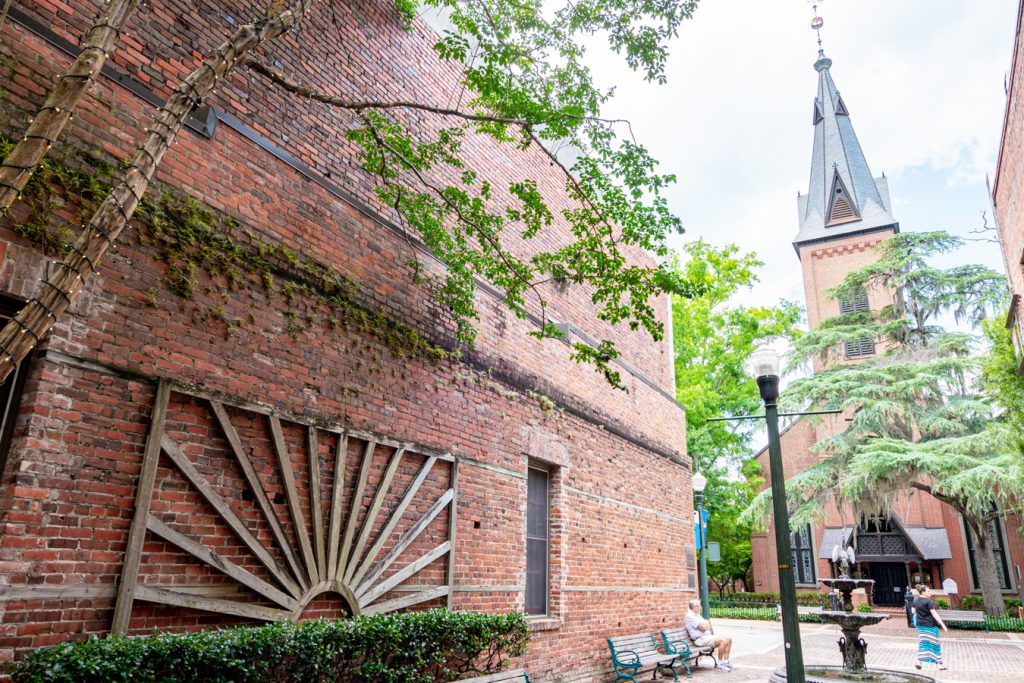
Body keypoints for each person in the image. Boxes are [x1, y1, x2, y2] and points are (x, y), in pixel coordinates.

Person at [685, 598, 734, 671]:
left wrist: (706, 625)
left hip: (707, 637)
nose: (700, 607)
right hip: (700, 639)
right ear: (694, 607)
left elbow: (708, 624)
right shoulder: (690, 616)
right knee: (723, 640)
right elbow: (703, 627)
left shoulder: (697, 615)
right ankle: (719, 664)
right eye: (699, 606)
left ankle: (726, 662)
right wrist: (706, 626)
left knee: (729, 638)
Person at [912, 584, 948, 670]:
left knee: (923, 643)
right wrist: (943, 625)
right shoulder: (929, 601)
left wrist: (921, 615)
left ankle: (919, 662)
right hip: (930, 625)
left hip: (920, 625)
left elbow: (913, 611)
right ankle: (940, 664)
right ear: (923, 592)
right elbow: (935, 614)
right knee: (935, 644)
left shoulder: (915, 601)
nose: (930, 592)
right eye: (928, 591)